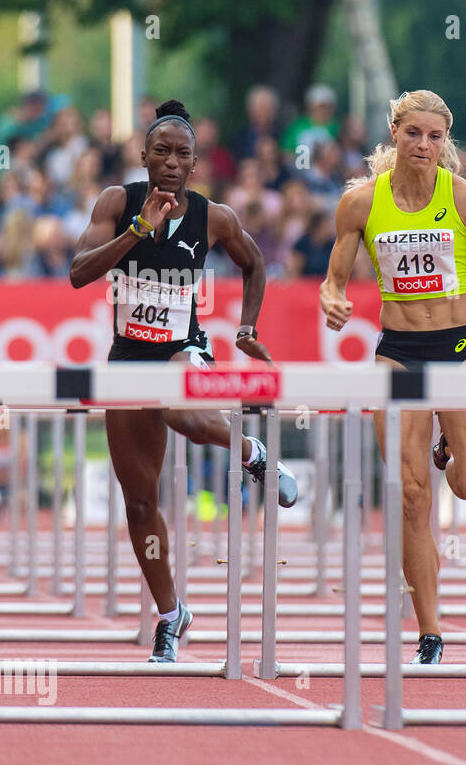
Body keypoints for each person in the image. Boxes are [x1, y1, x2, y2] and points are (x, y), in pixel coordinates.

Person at [69, 100, 299, 664]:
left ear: (195, 163)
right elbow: (79, 274)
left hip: (185, 349)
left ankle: (251, 451)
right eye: (161, 152)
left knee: (181, 412)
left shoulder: (212, 216)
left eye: (182, 154)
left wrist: (246, 327)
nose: (171, 162)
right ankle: (171, 616)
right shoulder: (116, 203)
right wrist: (136, 232)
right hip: (128, 357)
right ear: (144, 156)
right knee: (141, 502)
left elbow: (255, 263)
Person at [320, 90, 466, 665]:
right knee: (412, 499)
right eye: (413, 134)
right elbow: (334, 279)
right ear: (395, 136)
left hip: (459, 350)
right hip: (399, 353)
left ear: (446, 143)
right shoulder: (362, 205)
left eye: (435, 137)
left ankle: (450, 455)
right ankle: (431, 632)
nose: (424, 145)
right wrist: (332, 300)